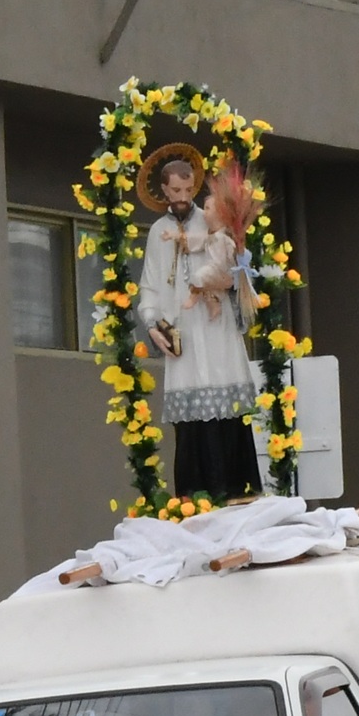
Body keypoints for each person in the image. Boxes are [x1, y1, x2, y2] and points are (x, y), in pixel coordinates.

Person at [134, 142, 261, 503]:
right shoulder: (158, 231)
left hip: (216, 327)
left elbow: (233, 263)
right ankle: (195, 492)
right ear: (163, 190)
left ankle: (235, 487)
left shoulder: (210, 219)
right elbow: (150, 284)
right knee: (192, 416)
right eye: (176, 190)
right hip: (183, 332)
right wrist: (152, 324)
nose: (183, 197)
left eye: (189, 190)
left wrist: (227, 278)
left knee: (225, 405)